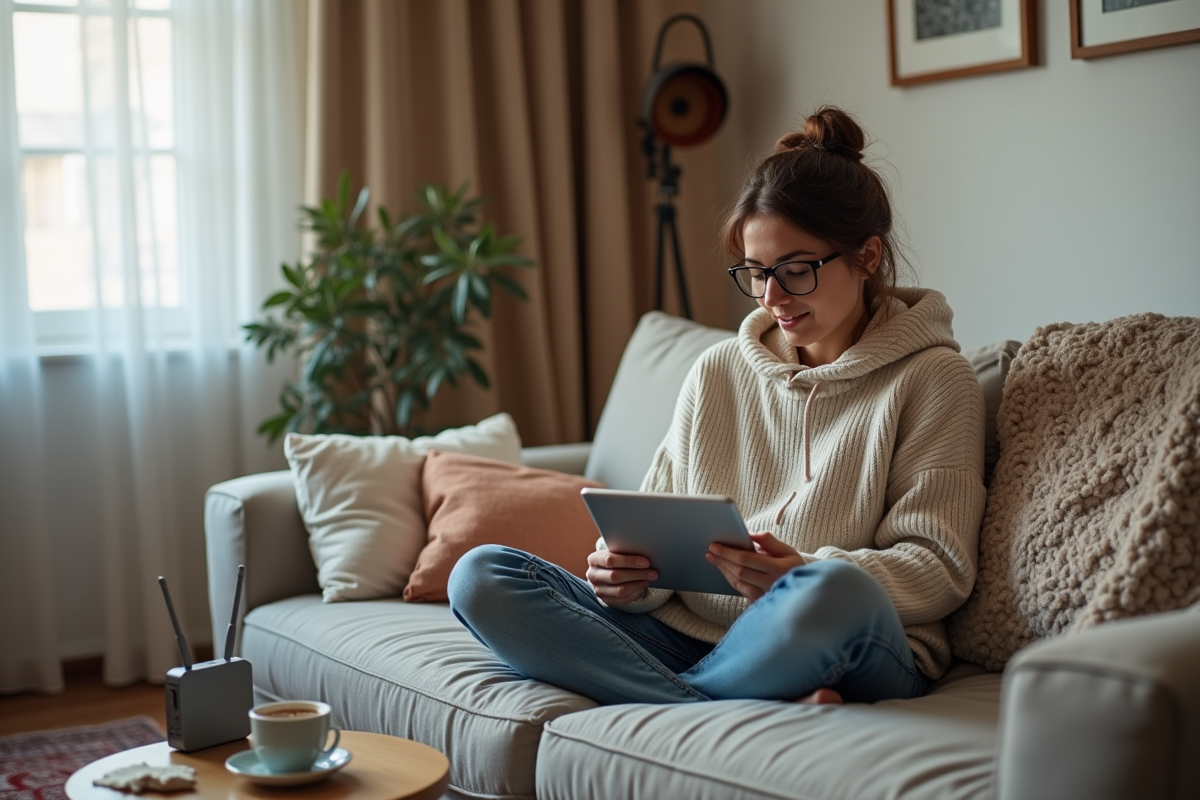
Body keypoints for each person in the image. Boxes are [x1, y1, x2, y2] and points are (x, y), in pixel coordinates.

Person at [447, 105, 986, 706]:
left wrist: (803, 571)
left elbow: (940, 567)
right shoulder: (718, 371)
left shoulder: (935, 378)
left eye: (795, 270)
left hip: (838, 633)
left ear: (867, 257)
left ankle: (681, 701)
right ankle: (710, 702)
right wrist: (623, 576)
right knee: (481, 576)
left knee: (835, 590)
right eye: (756, 273)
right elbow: (653, 525)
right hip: (686, 638)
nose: (771, 296)